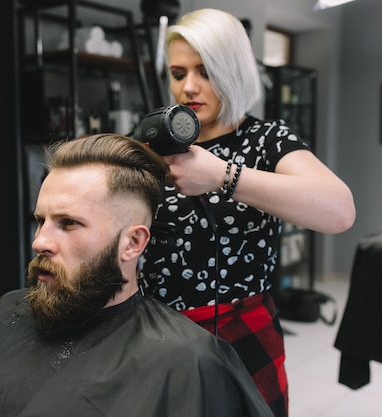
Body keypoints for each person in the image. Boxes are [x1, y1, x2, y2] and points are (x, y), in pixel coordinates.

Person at [0, 134, 274, 417]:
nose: (39, 242)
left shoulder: (188, 361)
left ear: (132, 244)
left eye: (68, 223)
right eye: (41, 221)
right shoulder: (7, 312)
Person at [138, 9, 356, 417]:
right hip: (156, 334)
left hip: (241, 334)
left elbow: (339, 210)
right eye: (178, 72)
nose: (188, 87)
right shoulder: (157, 143)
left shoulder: (266, 141)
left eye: (204, 71)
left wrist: (221, 175)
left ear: (233, 70)